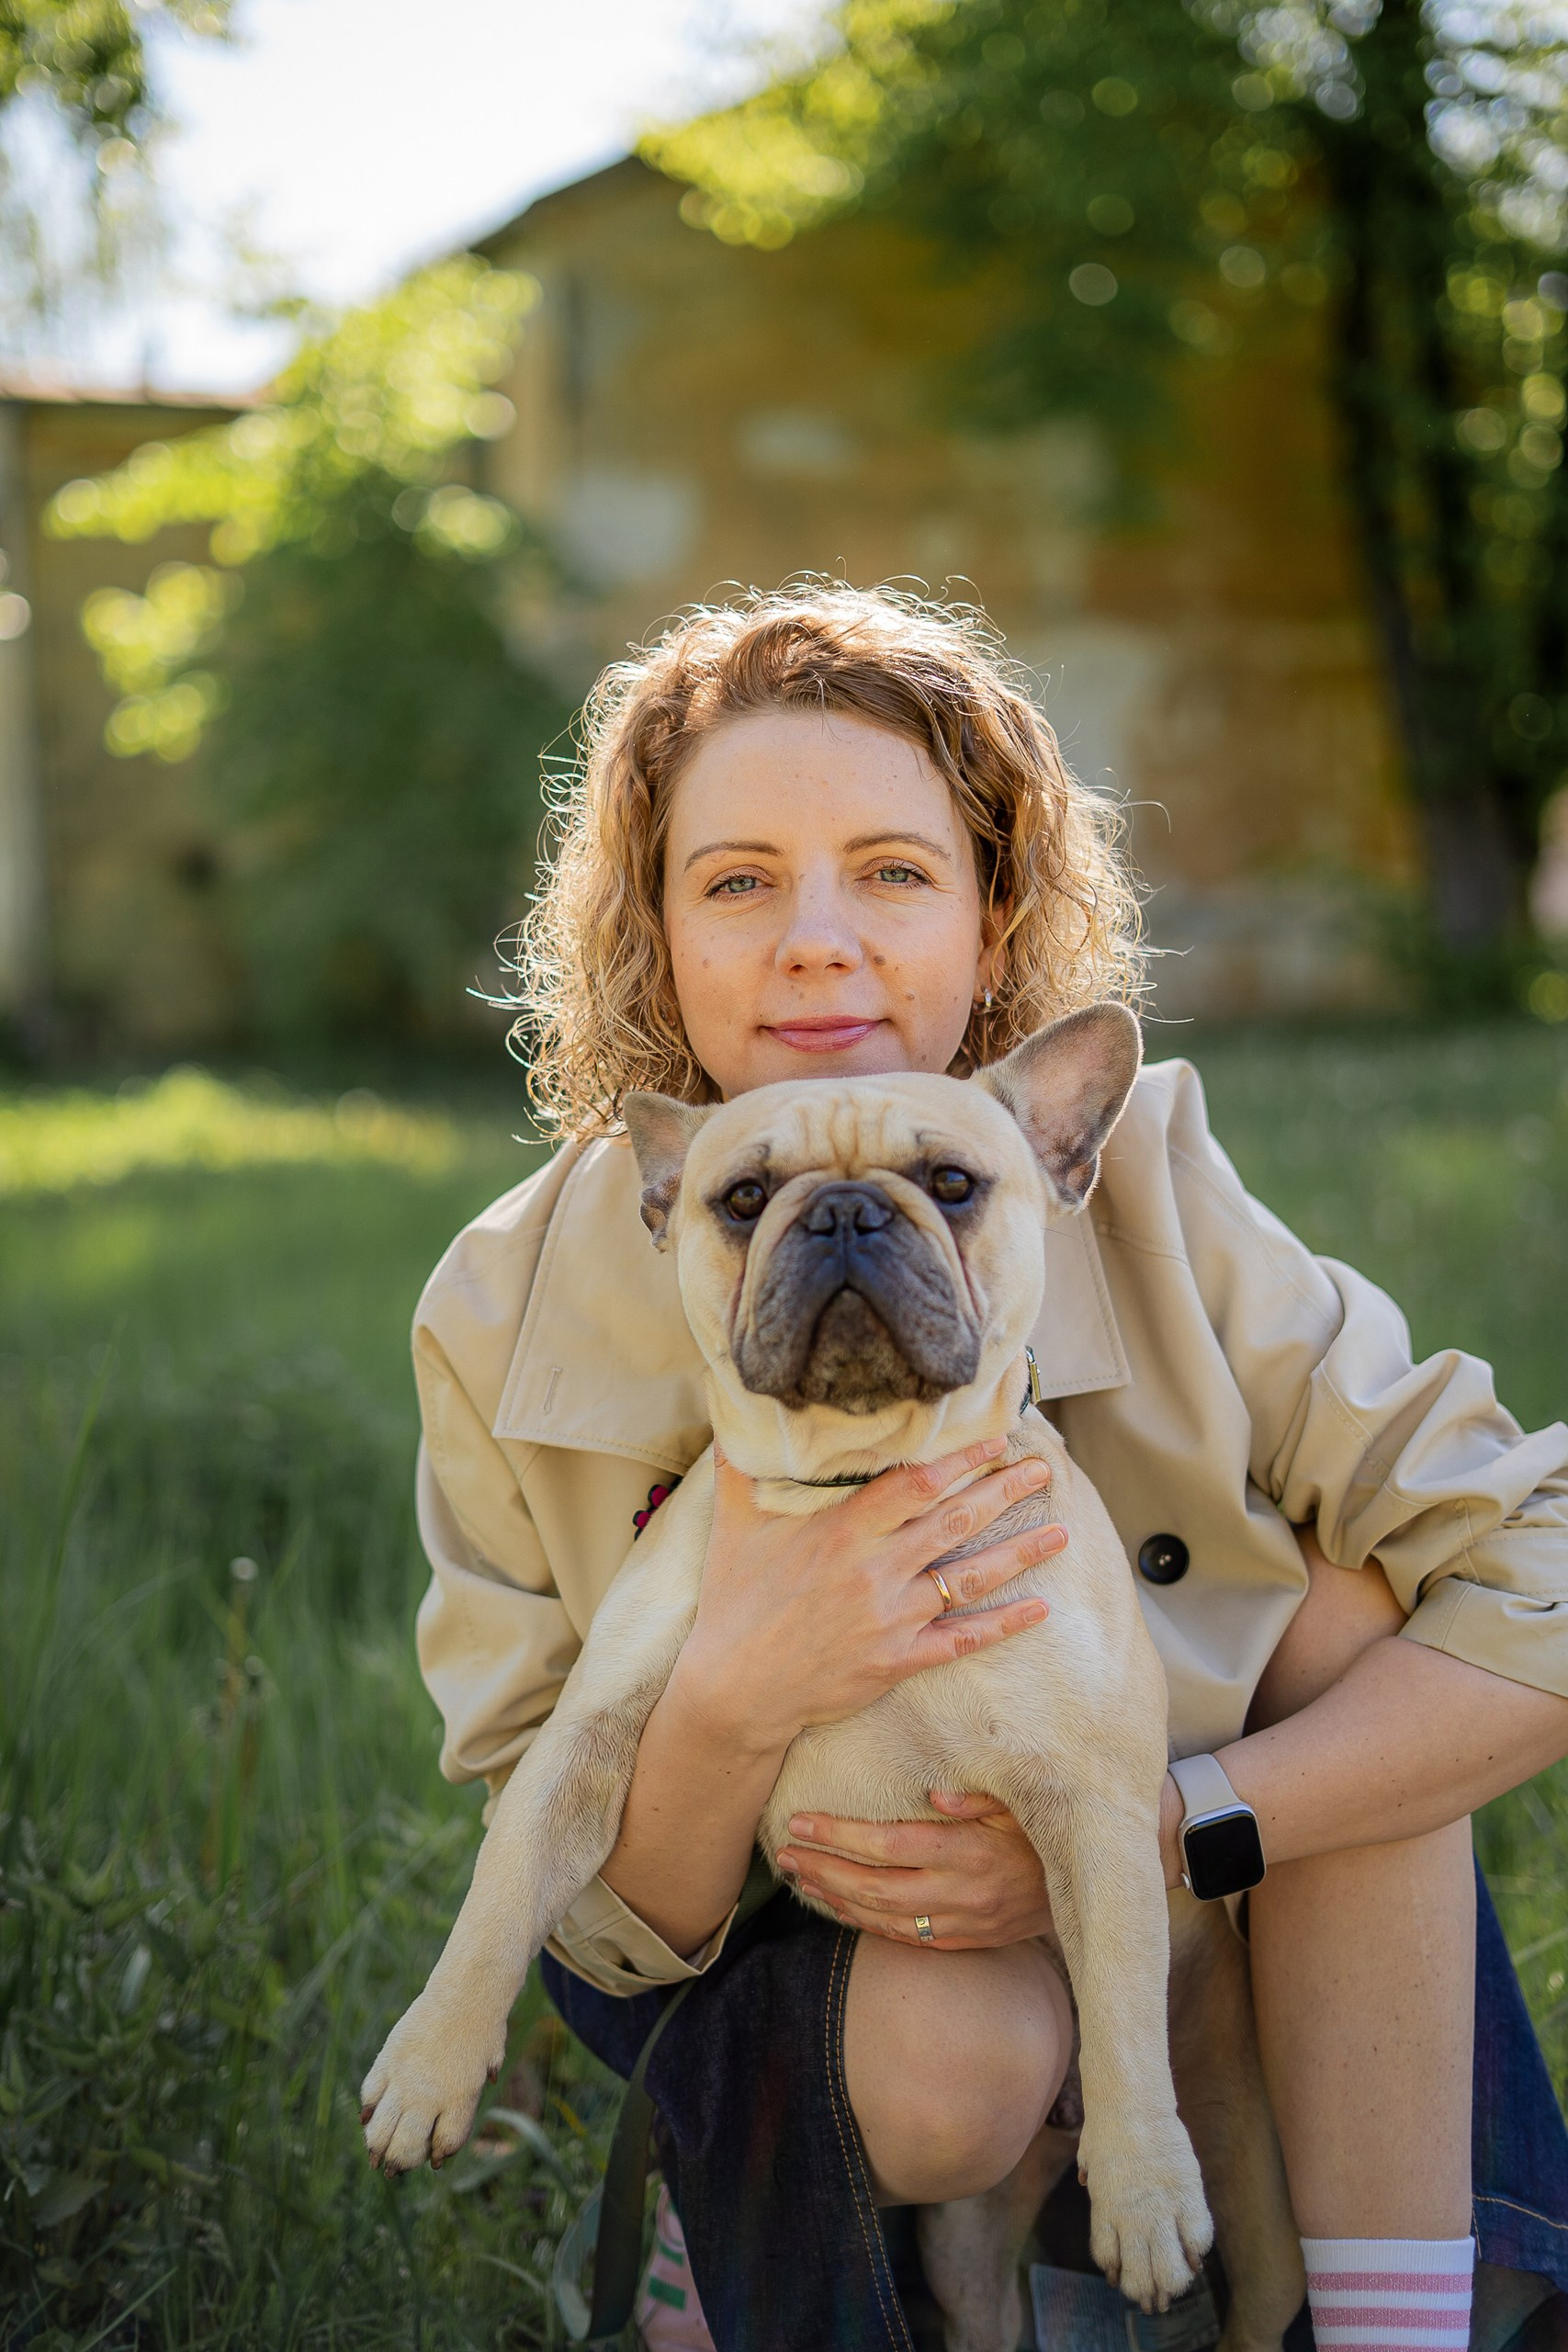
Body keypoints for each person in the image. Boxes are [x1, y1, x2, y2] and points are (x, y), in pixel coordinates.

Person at [410, 583, 1568, 2352]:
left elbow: (1539, 1563)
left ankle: (1386, 2321)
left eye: (892, 869)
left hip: (1144, 1859)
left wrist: (1187, 1828)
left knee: (1364, 1607)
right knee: (960, 2058)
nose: (818, 944)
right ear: (647, 931)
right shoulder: (504, 1298)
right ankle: (749, 2208)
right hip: (760, 1919)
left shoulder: (1152, 1183)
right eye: (736, 882)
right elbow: (581, 1902)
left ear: (992, 911)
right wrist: (742, 1685)